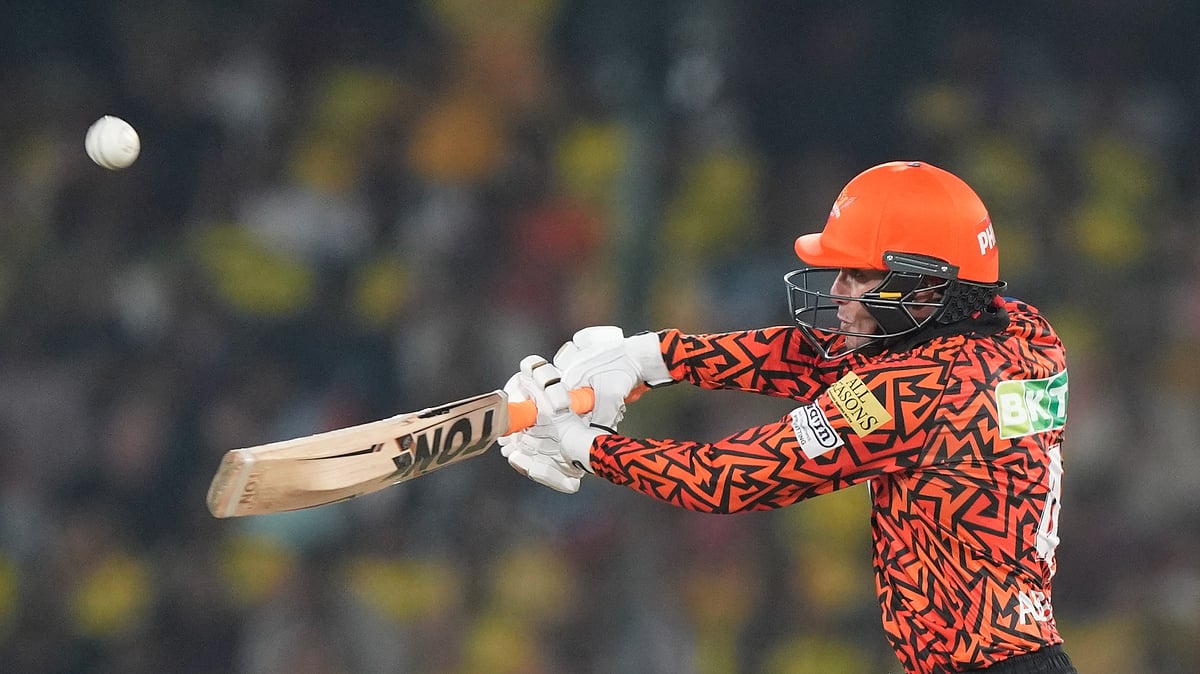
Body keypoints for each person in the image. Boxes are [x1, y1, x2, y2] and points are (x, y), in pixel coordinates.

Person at [501, 161, 1077, 674]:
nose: (838, 291)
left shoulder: (914, 394)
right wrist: (654, 356)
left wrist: (586, 445)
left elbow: (726, 478)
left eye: (858, 275)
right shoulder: (1027, 337)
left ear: (926, 287)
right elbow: (826, 362)